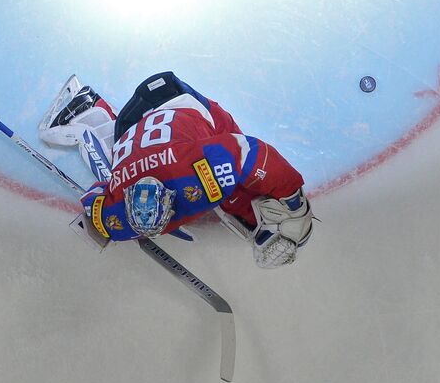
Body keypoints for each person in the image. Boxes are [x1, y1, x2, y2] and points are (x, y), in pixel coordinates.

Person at [38, 71, 313, 268]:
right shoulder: (114, 214)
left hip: (178, 100)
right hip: (130, 125)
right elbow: (93, 197)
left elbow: (251, 152)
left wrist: (293, 199)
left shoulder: (191, 175)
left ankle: (92, 112)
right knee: (225, 188)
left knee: (235, 194)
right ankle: (91, 110)